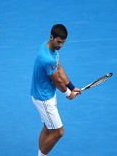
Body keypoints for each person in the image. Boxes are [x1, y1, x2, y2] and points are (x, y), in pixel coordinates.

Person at [30, 24, 81, 156]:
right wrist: (69, 94)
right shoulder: (47, 59)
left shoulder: (48, 46)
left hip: (47, 94)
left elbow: (59, 69)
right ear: (51, 37)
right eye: (59, 42)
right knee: (58, 132)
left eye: (63, 42)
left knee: (48, 127)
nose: (61, 46)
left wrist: (71, 86)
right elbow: (57, 80)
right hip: (44, 98)